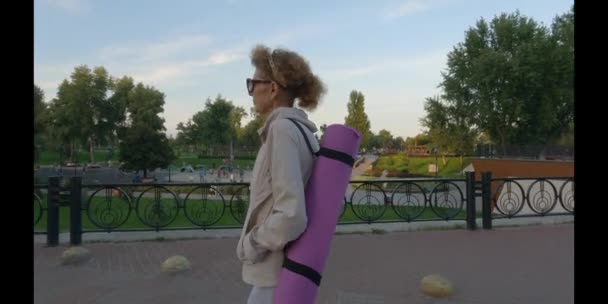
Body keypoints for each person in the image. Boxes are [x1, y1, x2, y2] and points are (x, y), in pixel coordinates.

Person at [236, 44, 327, 304]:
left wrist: (250, 244)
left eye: (253, 83)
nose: (251, 91)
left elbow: (291, 214)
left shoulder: (283, 132)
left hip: (276, 275)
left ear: (273, 88)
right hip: (287, 271)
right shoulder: (300, 132)